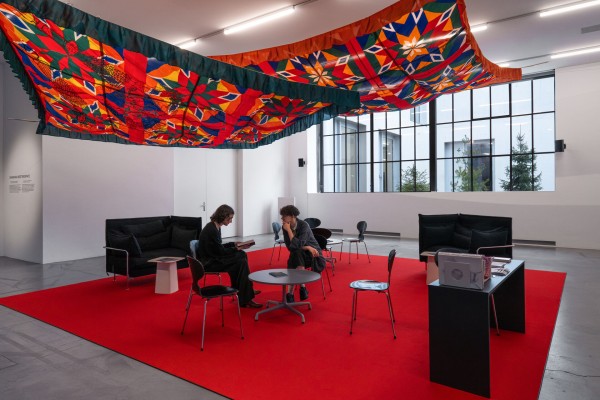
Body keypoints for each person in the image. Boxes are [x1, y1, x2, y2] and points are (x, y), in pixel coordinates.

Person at [197, 204, 262, 308]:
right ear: (222, 216)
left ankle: (243, 291)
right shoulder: (212, 229)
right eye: (229, 218)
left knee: (241, 257)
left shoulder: (215, 226)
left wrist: (234, 244)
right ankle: (246, 295)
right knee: (241, 259)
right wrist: (237, 248)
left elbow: (218, 247)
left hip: (213, 258)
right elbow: (220, 251)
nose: (231, 221)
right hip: (210, 263)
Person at [279, 205, 325, 303]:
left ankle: (290, 294)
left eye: (284, 216)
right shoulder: (285, 227)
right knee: (296, 253)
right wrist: (307, 247)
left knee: (295, 254)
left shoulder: (304, 225)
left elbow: (298, 244)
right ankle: (302, 288)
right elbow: (289, 247)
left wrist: (289, 231)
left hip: (313, 255)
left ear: (292, 216)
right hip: (300, 254)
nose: (282, 218)